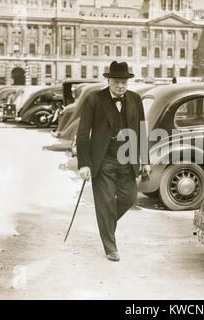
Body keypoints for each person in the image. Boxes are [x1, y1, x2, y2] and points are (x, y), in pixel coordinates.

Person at [76, 61, 151, 262]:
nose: (121, 86)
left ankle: (106, 223)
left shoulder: (135, 99)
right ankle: (111, 247)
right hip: (103, 160)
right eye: (117, 81)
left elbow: (142, 130)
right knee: (105, 202)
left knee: (130, 198)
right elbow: (83, 133)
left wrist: (145, 160)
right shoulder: (94, 99)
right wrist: (84, 164)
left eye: (124, 82)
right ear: (109, 80)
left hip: (128, 159)